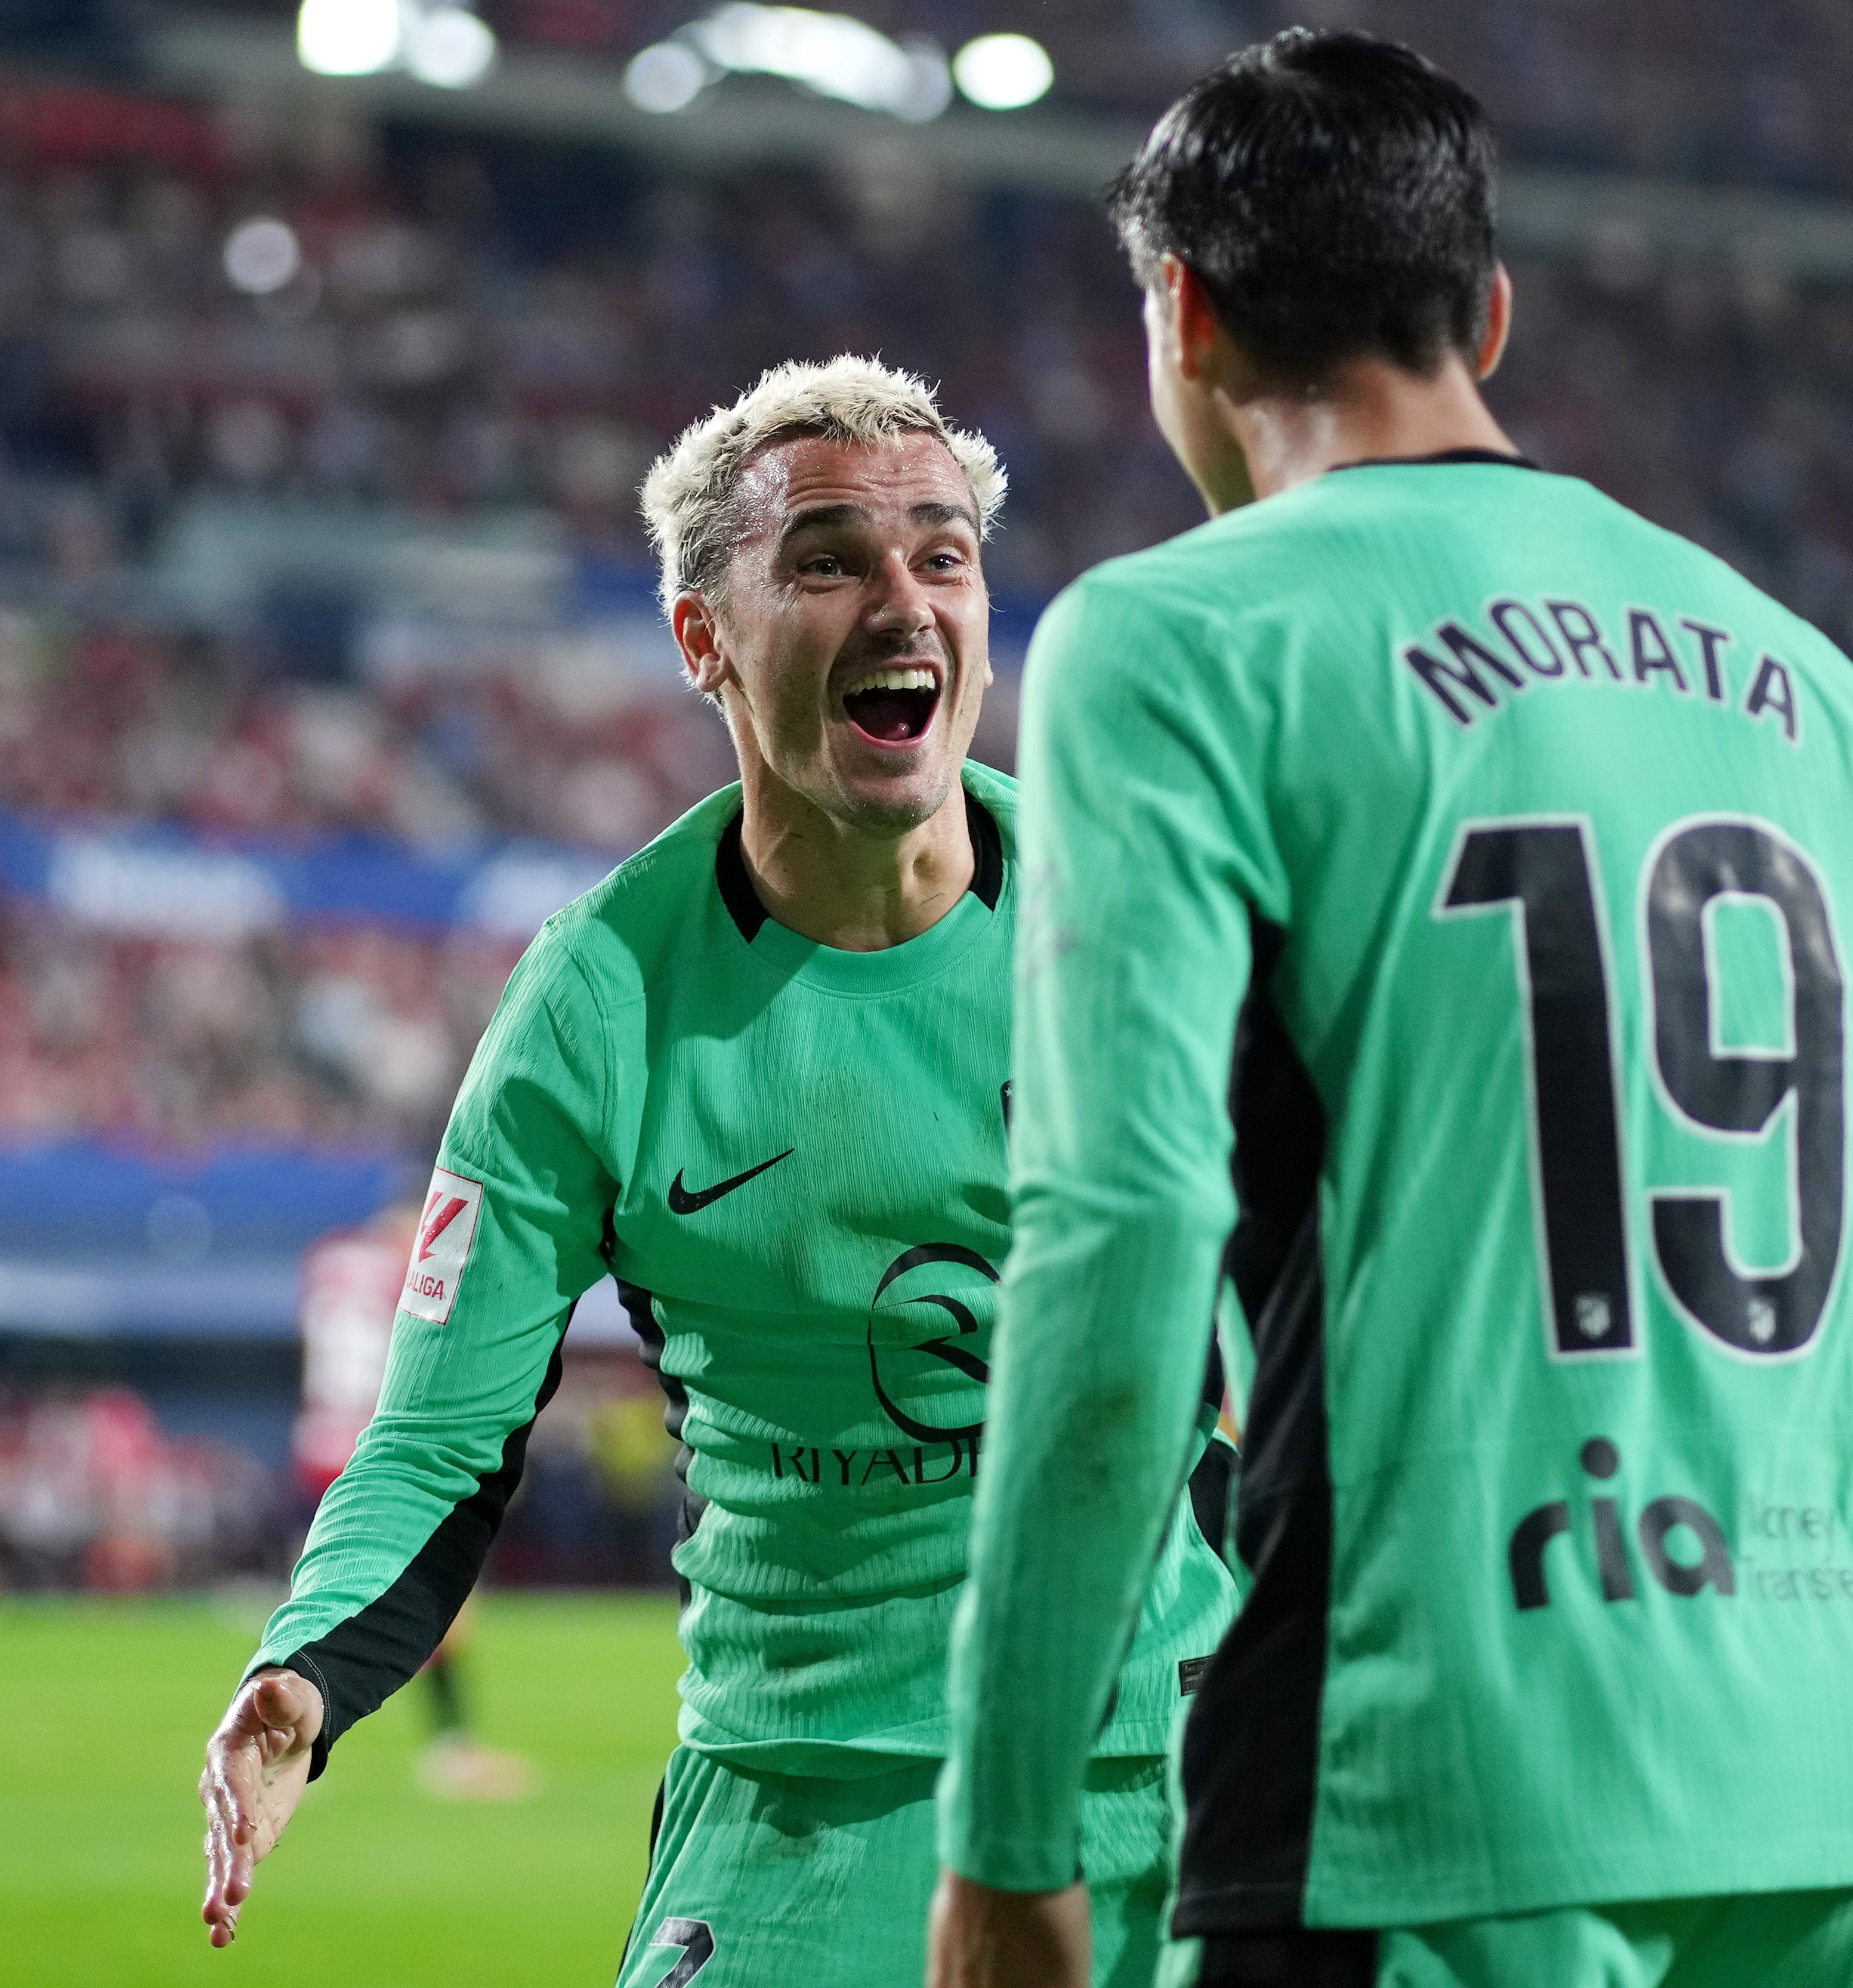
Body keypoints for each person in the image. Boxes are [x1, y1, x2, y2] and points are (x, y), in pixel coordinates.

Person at [928, 32, 1853, 1988]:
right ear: (1491, 311)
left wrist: (1009, 1830)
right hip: (1812, 1794)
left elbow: (1121, 1231)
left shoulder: (1172, 635)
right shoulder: (1807, 680)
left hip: (1421, 1784)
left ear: (1185, 315)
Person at [197, 355, 1238, 1984]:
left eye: (941, 554)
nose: (904, 601)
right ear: (705, 638)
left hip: (1177, 1781)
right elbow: (443, 1434)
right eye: (827, 559)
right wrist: (307, 1673)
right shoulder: (597, 1000)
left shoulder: (1152, 919)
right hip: (806, 1794)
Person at [295, 1196, 536, 1802]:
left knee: (340, 1591)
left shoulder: (334, 1260)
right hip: (381, 1445)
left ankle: (293, 1734)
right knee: (441, 1600)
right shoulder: (406, 1268)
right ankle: (453, 1751)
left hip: (321, 1439)